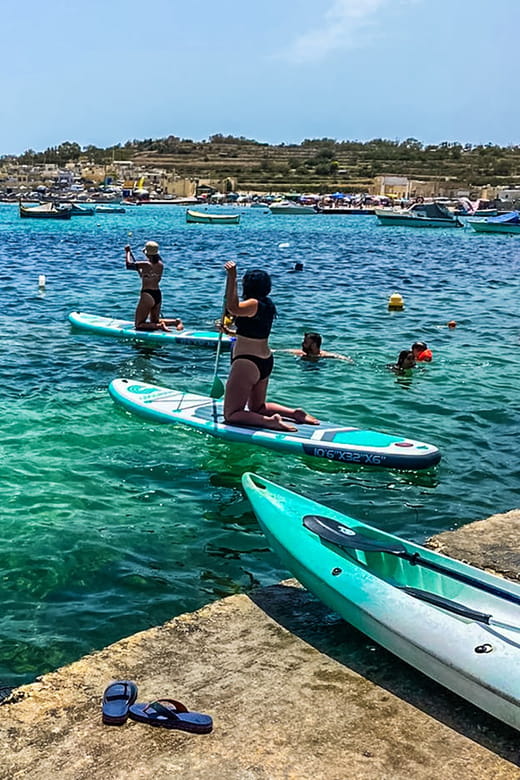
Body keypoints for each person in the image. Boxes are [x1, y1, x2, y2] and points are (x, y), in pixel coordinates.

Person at [223, 261, 319, 432]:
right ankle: (295, 413)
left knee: (232, 414)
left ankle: (270, 422)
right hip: (264, 360)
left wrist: (232, 278)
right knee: (257, 407)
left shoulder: (253, 303)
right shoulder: (267, 304)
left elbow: (233, 307)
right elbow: (252, 330)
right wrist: (231, 332)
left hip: (247, 363)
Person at [125, 242, 183, 332]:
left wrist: (127, 252)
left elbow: (128, 265)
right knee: (154, 321)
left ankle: (160, 326)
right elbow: (149, 270)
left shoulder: (145, 265)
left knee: (139, 324)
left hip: (147, 295)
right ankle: (176, 322)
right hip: (157, 294)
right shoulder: (161, 264)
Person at [279, 332, 353, 362]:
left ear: (314, 345)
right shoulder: (301, 353)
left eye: (305, 342)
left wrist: (349, 361)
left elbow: (338, 356)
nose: (302, 344)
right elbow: (282, 351)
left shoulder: (324, 355)